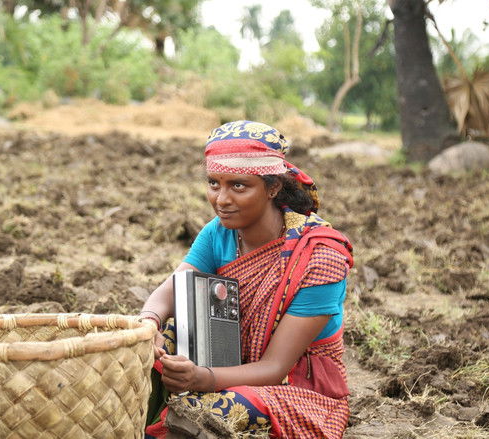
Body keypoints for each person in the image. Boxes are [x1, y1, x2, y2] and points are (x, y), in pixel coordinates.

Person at [139, 120, 354, 438]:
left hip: (296, 385)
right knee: (148, 347)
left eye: (238, 186)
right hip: (225, 356)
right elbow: (171, 290)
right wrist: (148, 323)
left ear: (273, 187)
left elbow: (275, 367)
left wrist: (200, 378)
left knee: (214, 413)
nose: (221, 200)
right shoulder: (219, 233)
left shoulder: (319, 257)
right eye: (214, 183)